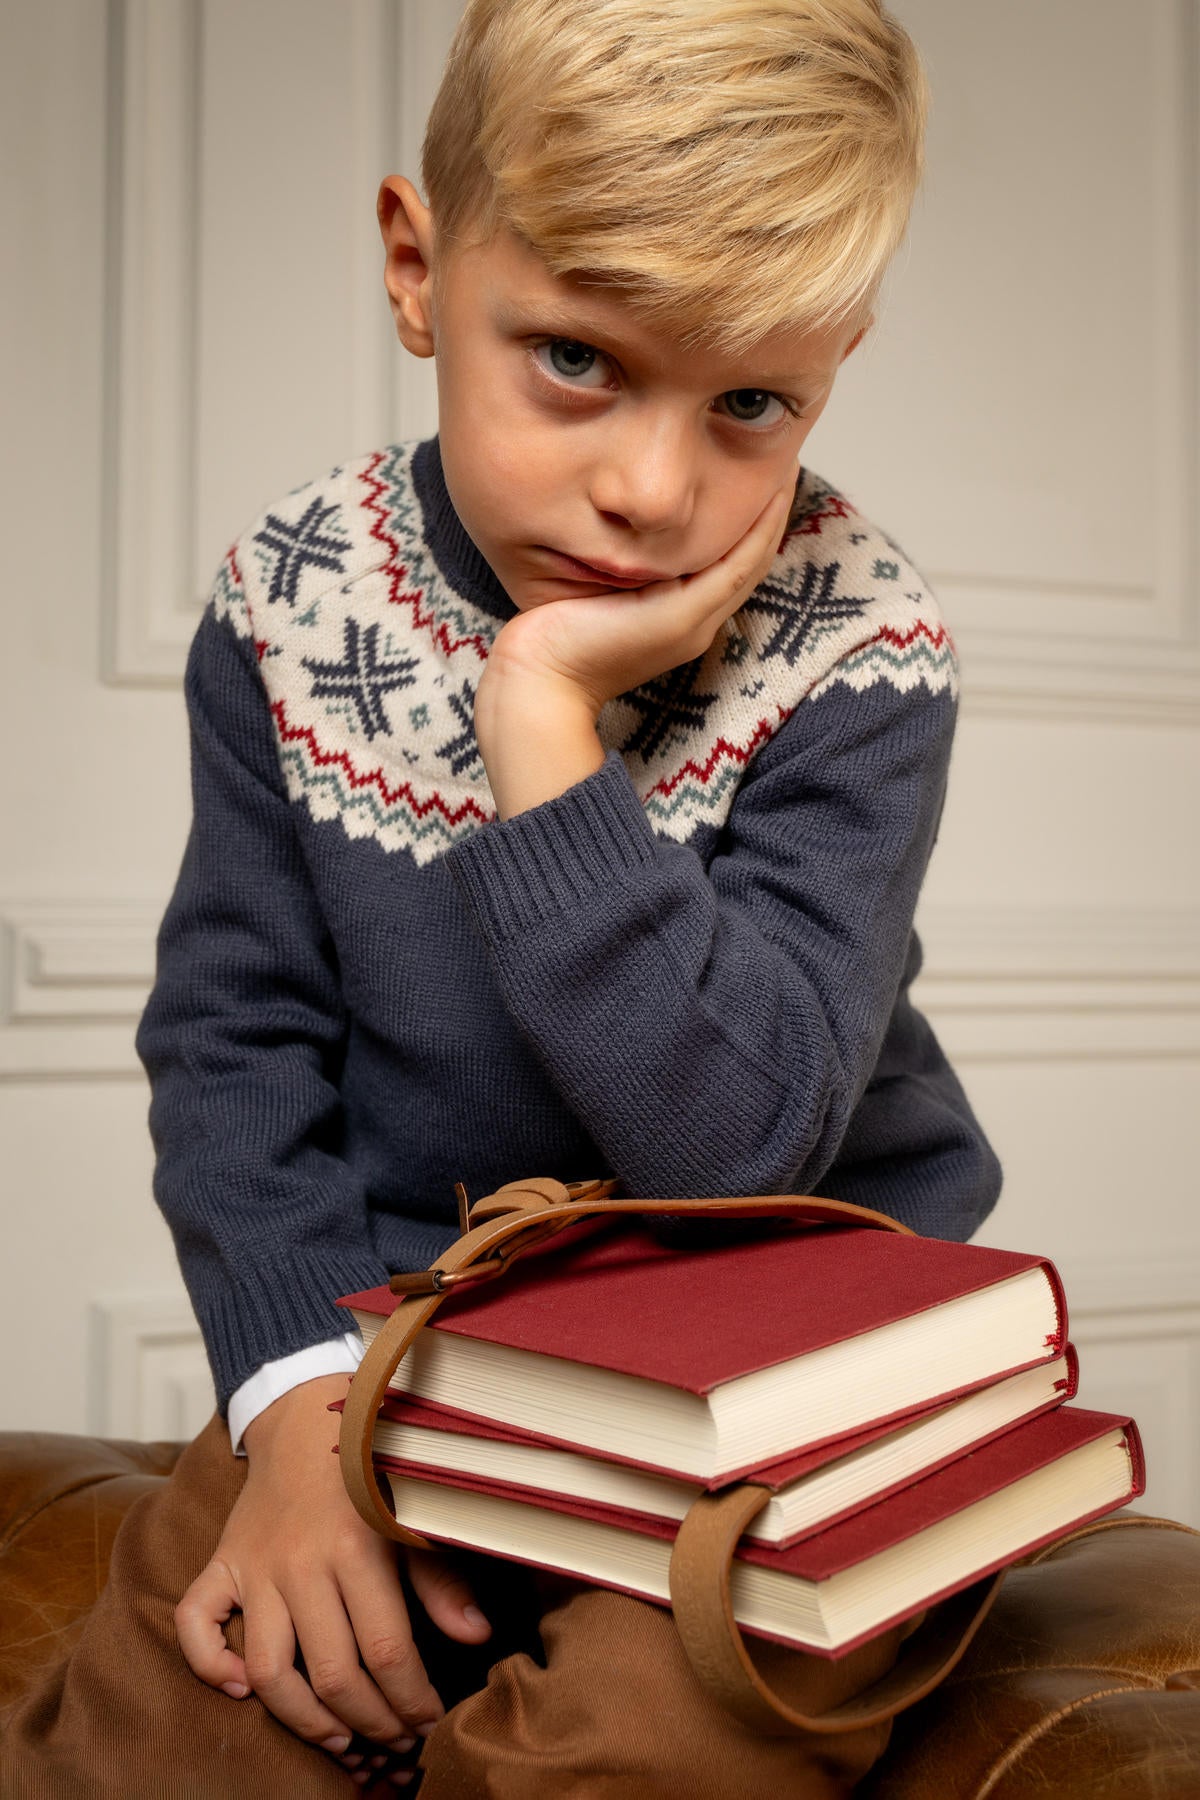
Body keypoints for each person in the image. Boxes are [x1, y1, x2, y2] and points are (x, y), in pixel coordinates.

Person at [3, 1, 1001, 1794]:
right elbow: (237, 1044)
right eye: (574, 361)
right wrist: (298, 1408)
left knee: (656, 1734)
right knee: (171, 1724)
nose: (648, 490)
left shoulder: (863, 653)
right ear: (416, 266)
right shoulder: (291, 602)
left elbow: (740, 1141)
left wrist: (544, 729)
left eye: (752, 403)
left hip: (781, 1373)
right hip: (406, 1361)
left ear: (837, 359)